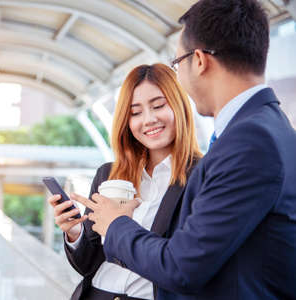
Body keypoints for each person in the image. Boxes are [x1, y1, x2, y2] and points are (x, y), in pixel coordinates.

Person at [73, 1, 296, 299]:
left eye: (177, 64)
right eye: (135, 111)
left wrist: (115, 225)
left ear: (200, 60)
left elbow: (182, 266)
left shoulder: (249, 142)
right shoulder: (270, 129)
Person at [48, 63, 202, 300]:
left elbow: (187, 265)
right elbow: (88, 264)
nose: (148, 119)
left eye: (158, 105)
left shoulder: (202, 176)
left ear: (179, 106)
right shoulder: (109, 175)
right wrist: (75, 231)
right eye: (135, 112)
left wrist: (119, 225)